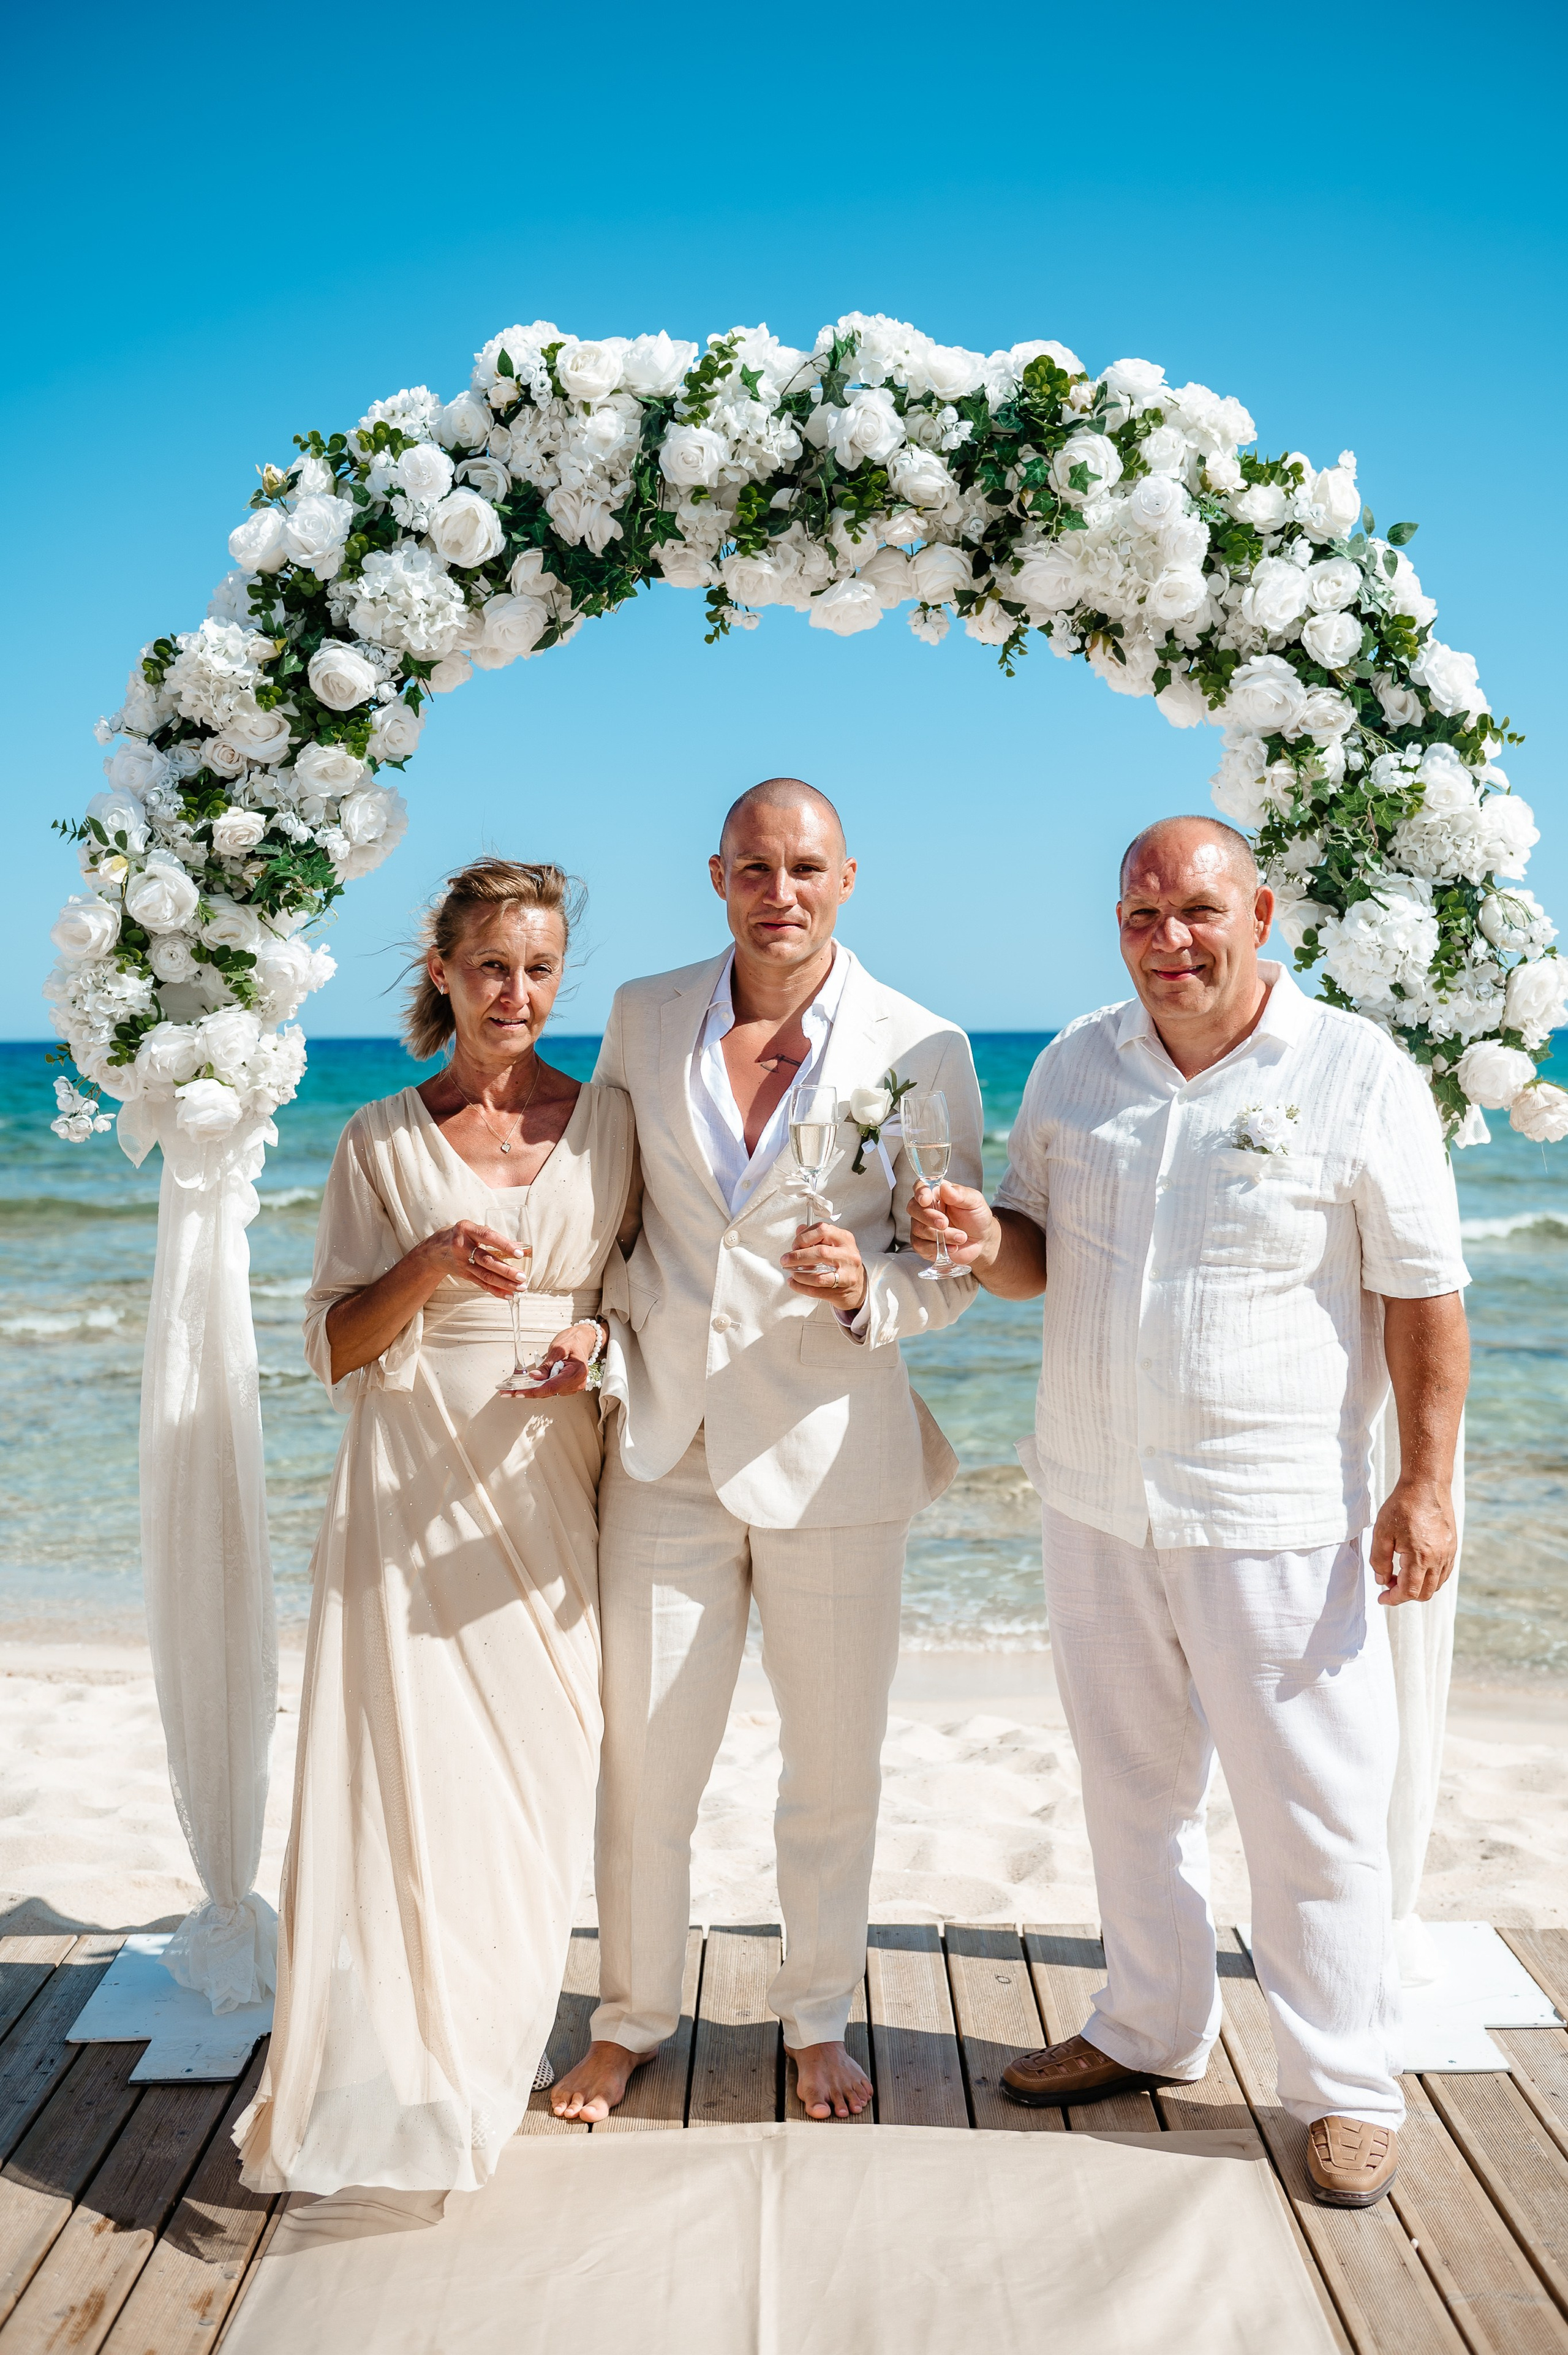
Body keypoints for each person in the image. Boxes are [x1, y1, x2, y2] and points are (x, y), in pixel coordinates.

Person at [910, 815, 1469, 2209]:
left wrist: (1423, 1479)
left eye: (1197, 911)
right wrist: (984, 1243)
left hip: (1274, 1508)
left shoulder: (1352, 1068)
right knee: (1128, 1786)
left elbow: (1422, 1288)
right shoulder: (1071, 1062)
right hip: (1094, 1495)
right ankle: (1149, 2023)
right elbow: (1029, 1251)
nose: (1169, 941)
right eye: (1140, 916)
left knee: (1313, 1809)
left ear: (1260, 910)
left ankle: (1343, 2081)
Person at [549, 779, 983, 2123]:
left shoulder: (917, 1046)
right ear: (716, 875)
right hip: (663, 1445)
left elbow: (945, 1261)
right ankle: (626, 2015)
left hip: (833, 1453)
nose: (776, 891)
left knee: (829, 1767)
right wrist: (571, 1326)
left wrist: (867, 1283)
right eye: (752, 867)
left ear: (847, 877)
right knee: (645, 1763)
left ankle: (815, 2018)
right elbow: (603, 1209)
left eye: (803, 867)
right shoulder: (642, 1013)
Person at [235, 859, 636, 2196]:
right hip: (407, 1483)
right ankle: (435, 2060)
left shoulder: (612, 1124)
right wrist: (432, 1261)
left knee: (535, 1775)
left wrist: (591, 1337)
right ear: (444, 973)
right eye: (490, 966)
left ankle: (499, 2023)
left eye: (537, 967)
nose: (514, 992)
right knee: (415, 1781)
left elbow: (649, 1301)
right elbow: (334, 1344)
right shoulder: (377, 1139)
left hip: (551, 1483)